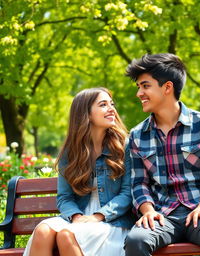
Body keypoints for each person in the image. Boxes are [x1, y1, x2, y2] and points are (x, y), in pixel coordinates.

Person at [124, 53, 200, 256]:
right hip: (162, 214)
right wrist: (148, 211)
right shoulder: (137, 135)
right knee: (136, 240)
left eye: (145, 86)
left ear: (167, 87)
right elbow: (139, 183)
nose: (139, 93)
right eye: (139, 87)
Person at [23, 87, 134, 256]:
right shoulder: (71, 151)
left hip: (113, 221)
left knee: (67, 235)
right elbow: (64, 197)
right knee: (43, 231)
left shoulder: (123, 146)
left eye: (111, 104)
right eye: (103, 105)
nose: (111, 109)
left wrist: (98, 216)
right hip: (79, 217)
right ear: (86, 114)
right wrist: (76, 217)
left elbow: (127, 193)